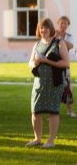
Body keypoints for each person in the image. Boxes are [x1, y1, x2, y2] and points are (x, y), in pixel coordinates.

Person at [27, 18, 70, 148]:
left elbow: (66, 63)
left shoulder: (59, 43)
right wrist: (36, 62)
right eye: (41, 28)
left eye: (46, 27)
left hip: (55, 83)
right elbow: (30, 64)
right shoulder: (37, 44)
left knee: (53, 111)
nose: (43, 30)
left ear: (51, 29)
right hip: (39, 83)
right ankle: (37, 138)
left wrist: (47, 61)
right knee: (35, 112)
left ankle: (51, 141)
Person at [55, 16, 75, 118]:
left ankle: (70, 111)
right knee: (54, 88)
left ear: (68, 25)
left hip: (65, 65)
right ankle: (53, 111)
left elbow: (70, 46)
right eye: (61, 23)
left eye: (65, 23)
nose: (63, 25)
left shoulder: (69, 36)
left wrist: (60, 39)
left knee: (68, 89)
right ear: (58, 23)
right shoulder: (52, 34)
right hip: (54, 65)